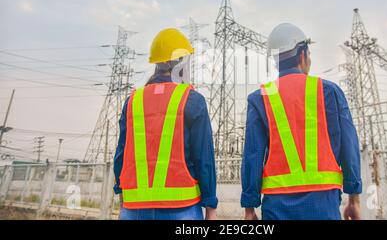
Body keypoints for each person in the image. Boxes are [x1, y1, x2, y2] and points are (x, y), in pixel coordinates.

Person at [241, 23, 362, 220]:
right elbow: (349, 146)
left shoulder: (260, 97)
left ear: (276, 61)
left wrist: (249, 209)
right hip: (323, 203)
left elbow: (252, 156)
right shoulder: (329, 91)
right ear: (302, 55)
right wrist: (354, 199)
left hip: (277, 206)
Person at [113, 28, 218, 220]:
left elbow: (121, 152)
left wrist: (121, 191)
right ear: (182, 63)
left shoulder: (133, 101)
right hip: (181, 208)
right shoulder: (192, 99)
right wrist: (210, 205)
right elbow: (204, 158)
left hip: (134, 207)